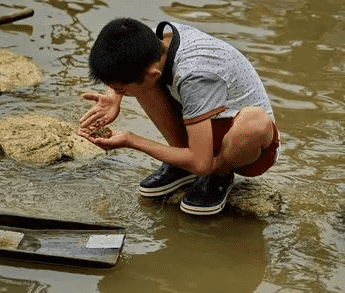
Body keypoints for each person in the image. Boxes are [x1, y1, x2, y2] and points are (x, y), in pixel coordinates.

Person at [78, 18, 280, 215]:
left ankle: (220, 173)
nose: (118, 92)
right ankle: (183, 162)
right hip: (204, 124)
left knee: (253, 125)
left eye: (120, 89)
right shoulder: (152, 40)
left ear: (154, 74)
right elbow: (123, 58)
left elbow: (202, 164)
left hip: (247, 149)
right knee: (142, 86)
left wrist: (131, 140)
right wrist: (112, 98)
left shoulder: (194, 75)